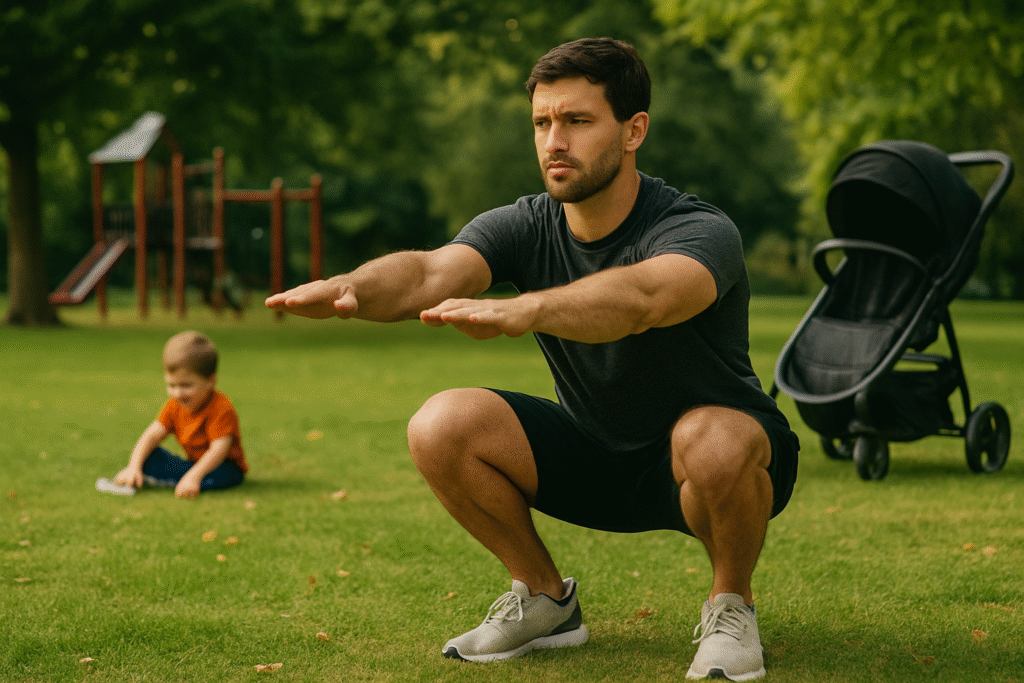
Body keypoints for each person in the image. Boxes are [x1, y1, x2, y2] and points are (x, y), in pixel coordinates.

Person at [265, 37, 799, 681]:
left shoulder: (699, 228)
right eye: (543, 122)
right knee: (442, 423)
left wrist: (533, 308)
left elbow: (646, 297)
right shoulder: (524, 223)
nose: (554, 141)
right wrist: (353, 286)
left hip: (716, 460)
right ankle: (546, 599)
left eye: (577, 121)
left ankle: (731, 607)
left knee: (710, 438)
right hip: (594, 452)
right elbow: (434, 270)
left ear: (634, 131)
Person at [95, 331, 248, 499]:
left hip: (224, 468)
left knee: (216, 477)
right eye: (171, 385)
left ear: (210, 381)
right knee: (151, 456)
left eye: (186, 385)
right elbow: (152, 435)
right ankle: (139, 475)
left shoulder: (220, 408)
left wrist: (193, 477)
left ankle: (169, 479)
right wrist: (134, 466)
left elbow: (218, 450)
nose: (177, 393)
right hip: (193, 464)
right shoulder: (174, 405)